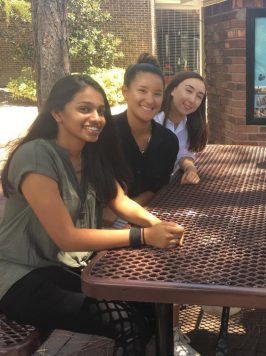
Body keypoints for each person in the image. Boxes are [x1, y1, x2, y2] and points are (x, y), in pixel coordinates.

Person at [0, 75, 185, 355]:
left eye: (101, 110)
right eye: (85, 109)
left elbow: (120, 201)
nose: (96, 117)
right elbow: (67, 237)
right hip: (19, 277)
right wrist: (144, 236)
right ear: (57, 113)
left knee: (150, 306)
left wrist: (160, 225)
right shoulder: (37, 156)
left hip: (60, 268)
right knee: (127, 322)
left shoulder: (88, 154)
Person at [114, 53, 178, 205]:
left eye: (157, 94)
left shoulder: (168, 141)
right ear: (125, 92)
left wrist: (127, 216)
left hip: (150, 213)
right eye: (142, 90)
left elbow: (157, 188)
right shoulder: (106, 133)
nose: (150, 100)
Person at [154, 71, 207, 185]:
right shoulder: (153, 121)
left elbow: (183, 154)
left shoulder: (190, 125)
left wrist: (190, 169)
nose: (192, 100)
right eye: (188, 90)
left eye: (199, 96)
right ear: (173, 90)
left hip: (169, 187)